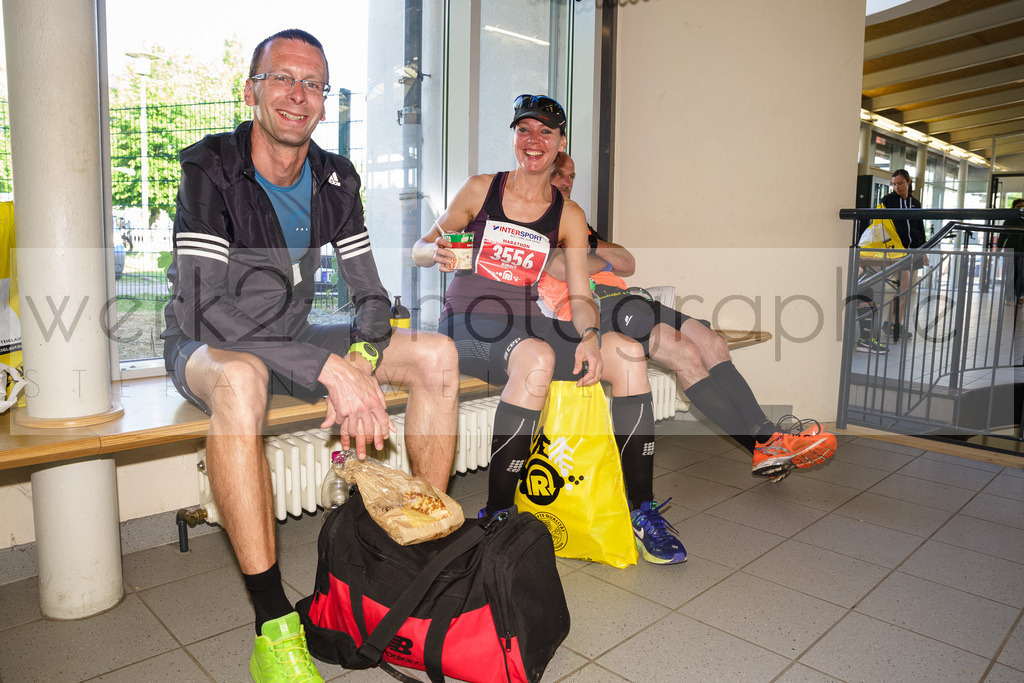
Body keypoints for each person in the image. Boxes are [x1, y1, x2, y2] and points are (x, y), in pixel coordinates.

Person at [161, 29, 459, 683]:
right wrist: (328, 371)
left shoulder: (335, 178)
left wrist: (356, 351)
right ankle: (274, 629)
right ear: (253, 90)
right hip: (204, 342)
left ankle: (421, 559)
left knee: (436, 352)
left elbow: (371, 295)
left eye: (314, 83)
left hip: (295, 337)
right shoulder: (208, 167)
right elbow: (209, 309)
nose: (299, 94)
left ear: (325, 101)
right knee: (240, 379)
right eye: (283, 78)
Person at [413, 95, 687, 565]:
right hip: (466, 322)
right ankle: (498, 514)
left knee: (626, 354)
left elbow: (581, 296)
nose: (533, 140)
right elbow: (420, 246)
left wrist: (589, 336)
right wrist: (431, 253)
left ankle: (641, 509)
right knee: (536, 356)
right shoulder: (482, 189)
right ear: (514, 138)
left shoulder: (568, 214)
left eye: (545, 132)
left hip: (525, 324)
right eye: (525, 130)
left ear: (560, 143)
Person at [537, 152, 836, 483]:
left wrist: (588, 248)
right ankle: (766, 441)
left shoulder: (578, 222)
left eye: (571, 176)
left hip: (629, 299)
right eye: (558, 174)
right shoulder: (537, 222)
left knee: (712, 343)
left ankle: (764, 441)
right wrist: (595, 259)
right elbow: (559, 267)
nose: (566, 182)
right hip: (594, 308)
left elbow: (627, 261)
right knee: (684, 352)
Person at [877, 168, 927, 341]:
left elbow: (920, 227)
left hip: (914, 251)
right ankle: (891, 324)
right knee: (903, 288)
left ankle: (895, 324)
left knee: (906, 291)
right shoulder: (887, 201)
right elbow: (881, 226)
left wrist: (924, 250)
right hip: (897, 251)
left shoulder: (915, 203)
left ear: (908, 182)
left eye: (900, 183)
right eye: (894, 184)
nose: (897, 187)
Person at [997, 198, 1024, 305]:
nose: (1021, 208)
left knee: (1022, 275)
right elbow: (1002, 235)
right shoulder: (1009, 220)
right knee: (1009, 275)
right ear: (1014, 208)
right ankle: (1009, 297)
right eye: (1019, 206)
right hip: (1009, 249)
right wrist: (999, 249)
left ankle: (1020, 295)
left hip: (1023, 251)